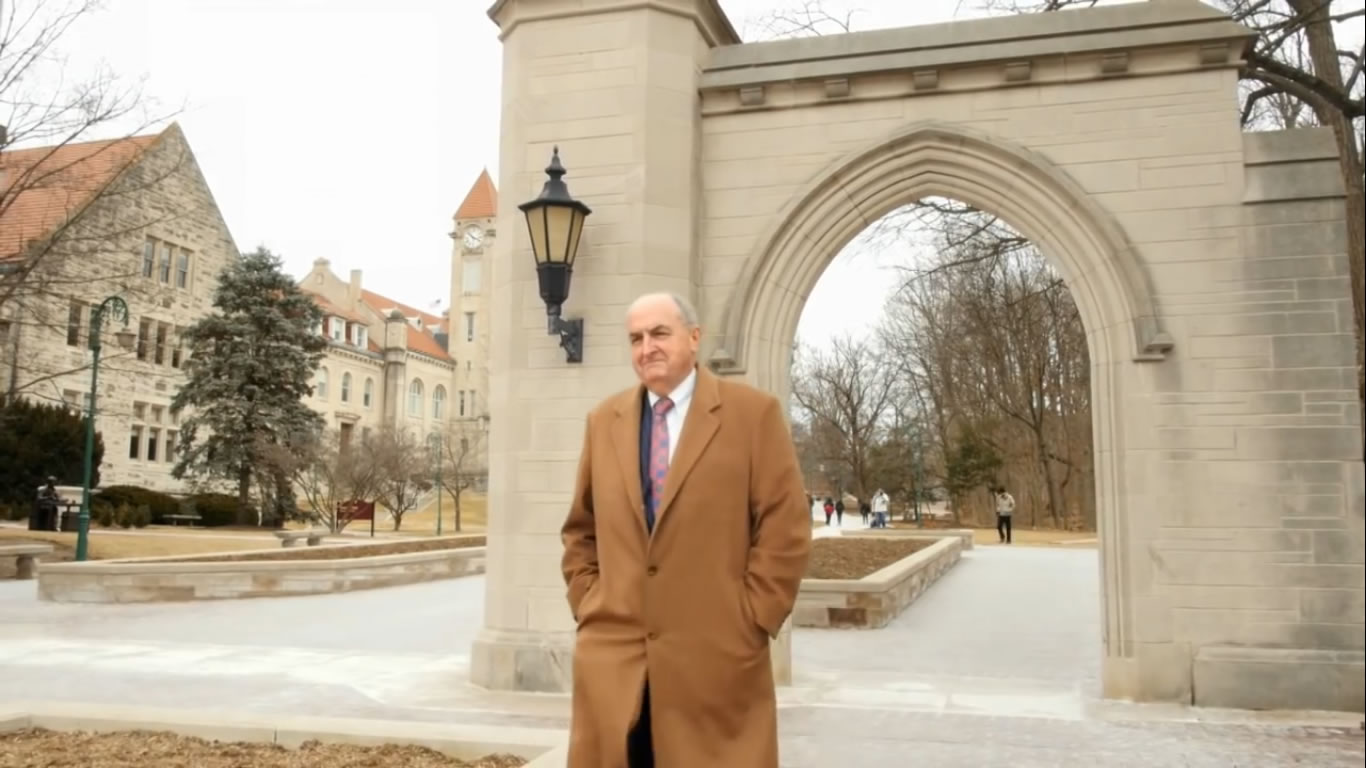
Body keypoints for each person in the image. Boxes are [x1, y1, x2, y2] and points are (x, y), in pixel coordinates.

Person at [560, 292, 812, 768]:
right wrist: (589, 601)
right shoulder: (603, 422)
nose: (646, 347)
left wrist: (753, 617)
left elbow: (786, 528)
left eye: (659, 333)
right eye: (636, 338)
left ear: (694, 339)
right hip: (616, 664)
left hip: (717, 658)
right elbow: (581, 529)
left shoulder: (753, 415)